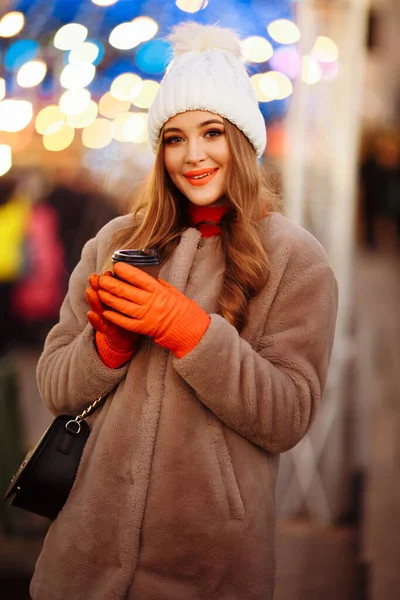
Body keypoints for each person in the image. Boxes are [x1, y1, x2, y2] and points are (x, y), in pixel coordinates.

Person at [30, 22, 338, 600]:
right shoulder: (114, 241)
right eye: (174, 138)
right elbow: (55, 387)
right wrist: (106, 350)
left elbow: (288, 415)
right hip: (83, 563)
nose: (192, 155)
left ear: (242, 140)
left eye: (212, 132)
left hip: (208, 573)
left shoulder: (296, 258)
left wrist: (192, 333)